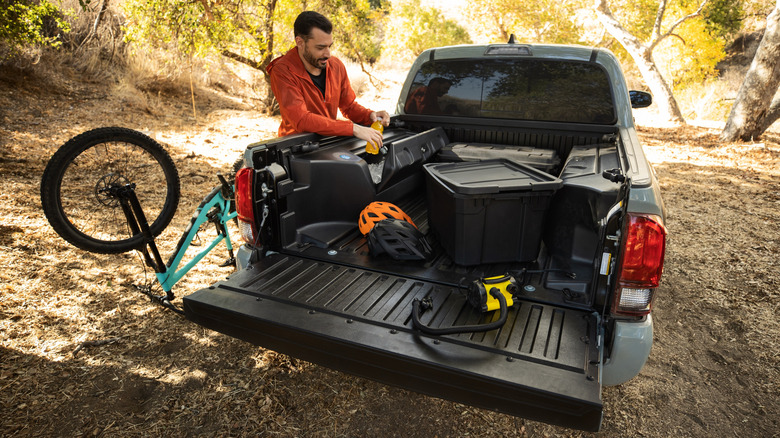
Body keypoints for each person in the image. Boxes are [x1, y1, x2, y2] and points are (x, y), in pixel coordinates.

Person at [267, 11, 389, 147]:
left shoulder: (336, 65)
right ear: (300, 42)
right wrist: (352, 128)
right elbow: (301, 119)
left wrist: (369, 115)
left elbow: (348, 106)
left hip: (327, 143)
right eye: (320, 48)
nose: (328, 54)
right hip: (296, 148)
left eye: (329, 46)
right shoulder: (282, 71)